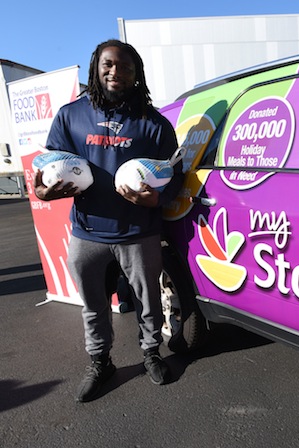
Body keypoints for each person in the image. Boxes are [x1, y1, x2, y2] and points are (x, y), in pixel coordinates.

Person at [34, 39, 184, 402]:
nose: (116, 72)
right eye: (109, 65)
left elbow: (175, 173)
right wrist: (42, 191)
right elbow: (48, 167)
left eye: (126, 67)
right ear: (96, 68)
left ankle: (150, 353)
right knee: (94, 304)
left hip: (139, 233)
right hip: (87, 233)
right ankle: (101, 361)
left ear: (137, 74)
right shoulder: (71, 115)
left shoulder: (153, 123)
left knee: (148, 301)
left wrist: (158, 197)